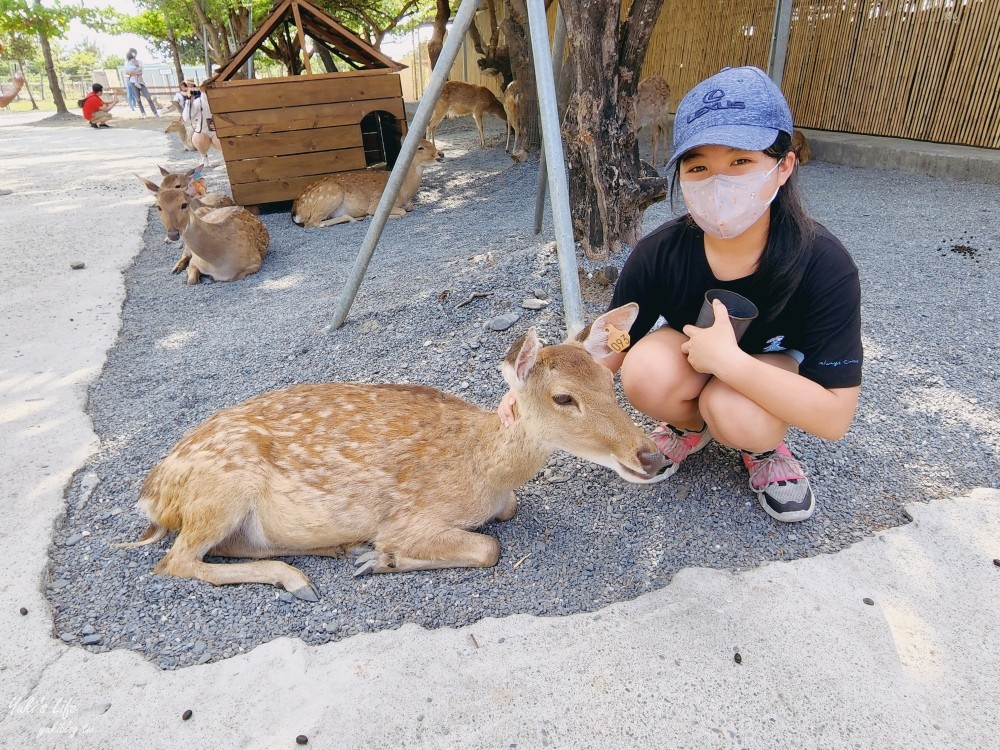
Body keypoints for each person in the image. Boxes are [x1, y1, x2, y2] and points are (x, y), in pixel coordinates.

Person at [501, 66, 862, 524]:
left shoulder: (824, 264)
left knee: (736, 412)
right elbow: (606, 349)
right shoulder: (660, 252)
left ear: (784, 166)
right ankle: (689, 427)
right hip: (693, 356)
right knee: (644, 371)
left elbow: (835, 418)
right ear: (681, 177)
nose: (720, 181)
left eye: (740, 161)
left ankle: (765, 450)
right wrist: (532, 390)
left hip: (767, 364)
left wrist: (729, 363)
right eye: (699, 167)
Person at [124, 48, 159, 118]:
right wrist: (135, 72)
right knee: (138, 99)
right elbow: (128, 72)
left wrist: (136, 71)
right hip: (133, 82)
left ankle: (155, 113)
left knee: (148, 97)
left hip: (141, 82)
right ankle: (143, 113)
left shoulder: (139, 62)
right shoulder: (128, 63)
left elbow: (140, 71)